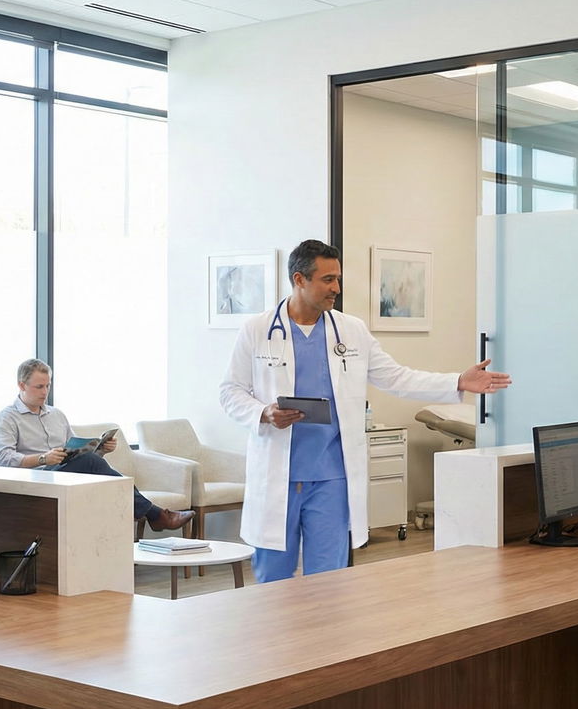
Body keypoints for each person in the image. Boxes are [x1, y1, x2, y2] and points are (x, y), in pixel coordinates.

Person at [218, 239, 511, 582]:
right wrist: (263, 413)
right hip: (277, 474)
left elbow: (397, 377)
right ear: (299, 279)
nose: (336, 289)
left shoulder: (351, 330)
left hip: (332, 476)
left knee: (329, 581)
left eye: (338, 279)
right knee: (273, 581)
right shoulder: (258, 330)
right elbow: (230, 392)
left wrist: (457, 381)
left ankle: (328, 638)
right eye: (328, 280)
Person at [0, 359, 195, 533]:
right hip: (34, 478)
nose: (45, 392)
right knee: (94, 464)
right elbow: (2, 459)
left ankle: (146, 522)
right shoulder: (7, 418)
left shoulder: (57, 415)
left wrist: (100, 450)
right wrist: (43, 458)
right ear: (21, 385)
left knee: (94, 461)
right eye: (39, 387)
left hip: (63, 475)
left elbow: (74, 452)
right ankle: (156, 515)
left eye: (48, 386)